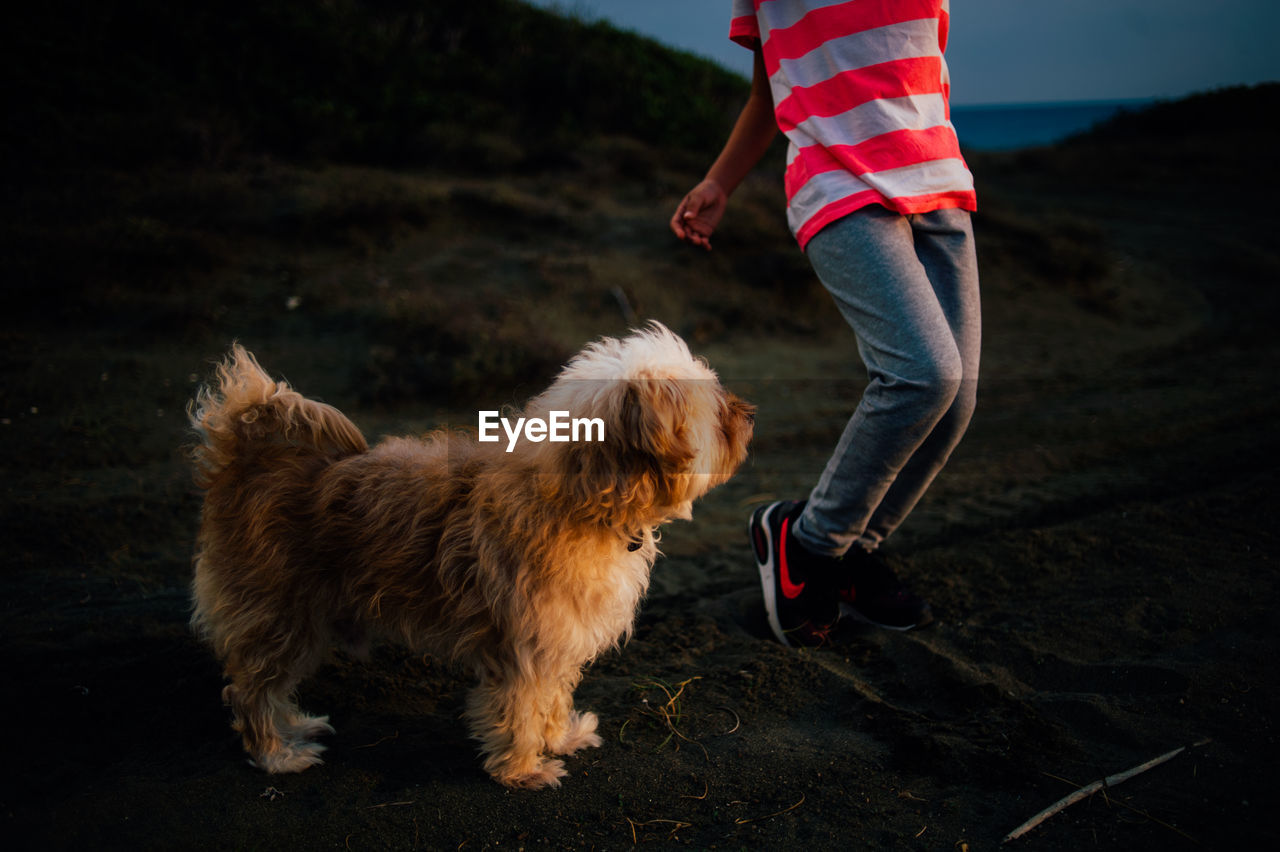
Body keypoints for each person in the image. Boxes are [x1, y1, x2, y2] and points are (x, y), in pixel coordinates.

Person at [671, 0, 980, 647]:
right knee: (924, 375)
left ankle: (850, 552)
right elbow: (769, 90)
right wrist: (719, 182)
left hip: (939, 181)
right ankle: (807, 548)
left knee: (954, 401)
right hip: (839, 184)